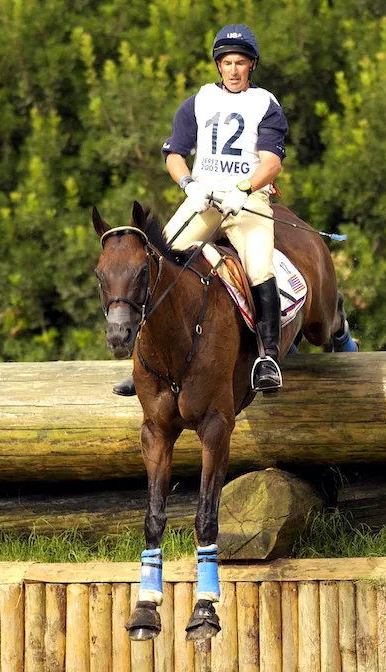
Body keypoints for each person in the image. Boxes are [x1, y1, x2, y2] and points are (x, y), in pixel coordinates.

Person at [113, 23, 288, 396]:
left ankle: (268, 359)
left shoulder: (265, 104)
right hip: (204, 199)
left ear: (252, 65)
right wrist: (189, 185)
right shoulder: (198, 101)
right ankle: (143, 362)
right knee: (156, 261)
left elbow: (272, 163)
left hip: (246, 201)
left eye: (240, 62)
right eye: (227, 62)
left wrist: (244, 189)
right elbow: (175, 155)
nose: (234, 70)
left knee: (259, 268)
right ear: (218, 65)